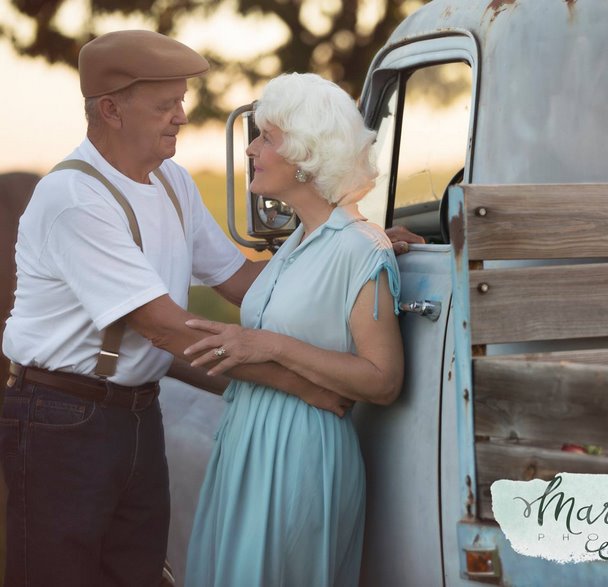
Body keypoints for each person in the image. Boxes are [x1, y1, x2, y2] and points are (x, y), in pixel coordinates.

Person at [0, 30, 420, 587]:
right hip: (61, 416)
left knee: (137, 571)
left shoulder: (172, 183)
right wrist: (303, 384)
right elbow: (165, 328)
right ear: (111, 109)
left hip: (137, 413)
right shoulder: (74, 199)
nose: (181, 115)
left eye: (182, 101)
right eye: (165, 105)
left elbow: (246, 281)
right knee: (59, 575)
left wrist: (345, 248)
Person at [182, 72, 403, 586]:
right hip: (249, 440)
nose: (253, 149)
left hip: (301, 452)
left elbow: (383, 380)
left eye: (267, 137)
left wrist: (268, 345)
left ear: (306, 154)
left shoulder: (359, 248)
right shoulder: (297, 244)